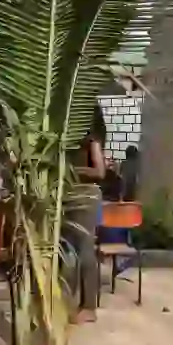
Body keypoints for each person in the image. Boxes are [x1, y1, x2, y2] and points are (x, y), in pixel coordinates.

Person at [65, 109, 107, 324]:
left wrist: (67, 169)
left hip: (85, 194)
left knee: (85, 250)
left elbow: (100, 172)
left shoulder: (90, 135)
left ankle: (89, 306)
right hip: (63, 193)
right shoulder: (61, 133)